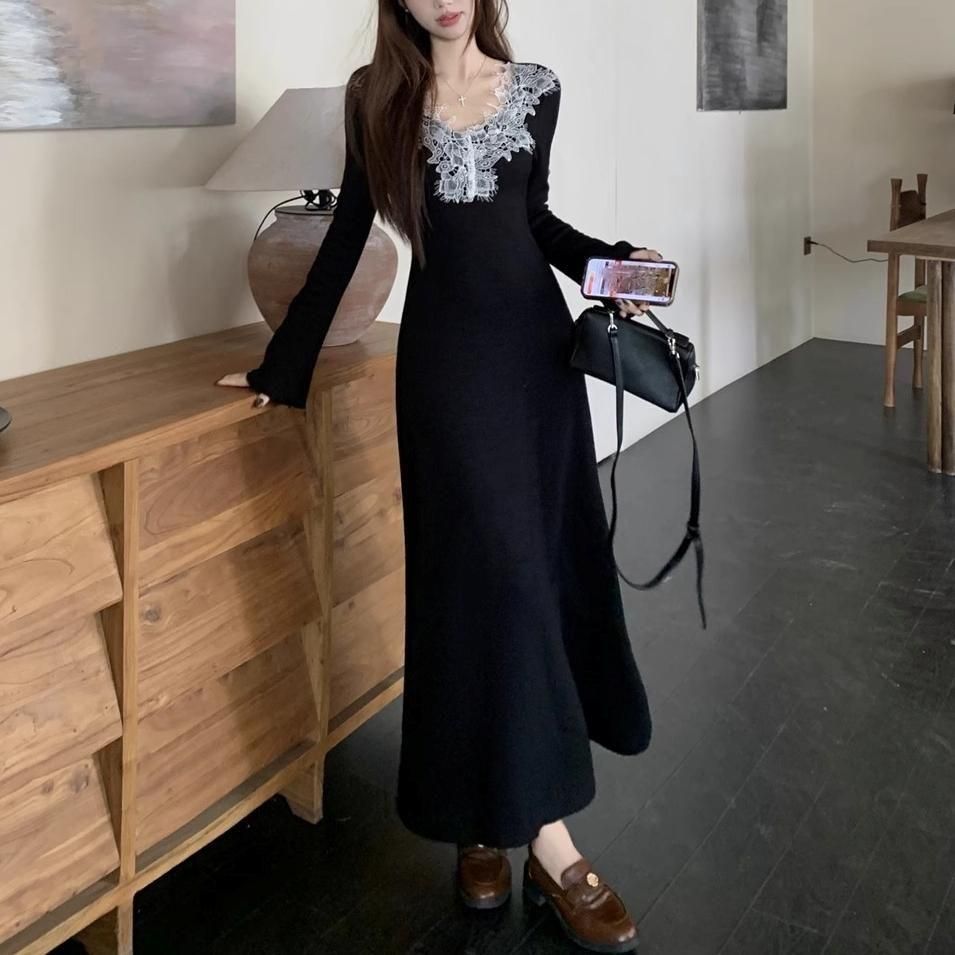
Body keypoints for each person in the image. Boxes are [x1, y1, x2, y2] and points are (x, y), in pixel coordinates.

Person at [217, 2, 661, 950]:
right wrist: (280, 366)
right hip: (447, 374)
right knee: (479, 580)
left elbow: (535, 221)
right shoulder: (374, 97)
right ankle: (547, 840)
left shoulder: (536, 90)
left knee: (526, 580)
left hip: (536, 366)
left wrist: (615, 268)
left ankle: (489, 826)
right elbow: (343, 236)